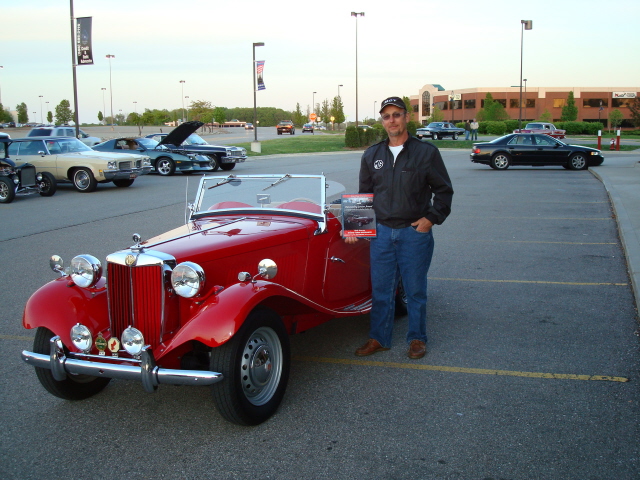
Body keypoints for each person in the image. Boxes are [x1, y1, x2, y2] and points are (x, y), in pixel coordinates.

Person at [345, 96, 454, 359]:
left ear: (406, 117)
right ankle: (379, 338)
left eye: (396, 114)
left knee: (415, 290)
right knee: (381, 290)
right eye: (386, 116)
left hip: (413, 234)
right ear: (382, 121)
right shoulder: (372, 154)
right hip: (381, 234)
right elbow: (366, 194)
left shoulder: (426, 153)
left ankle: (417, 338)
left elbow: (444, 192)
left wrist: (430, 220)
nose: (391, 120)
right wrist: (353, 228)